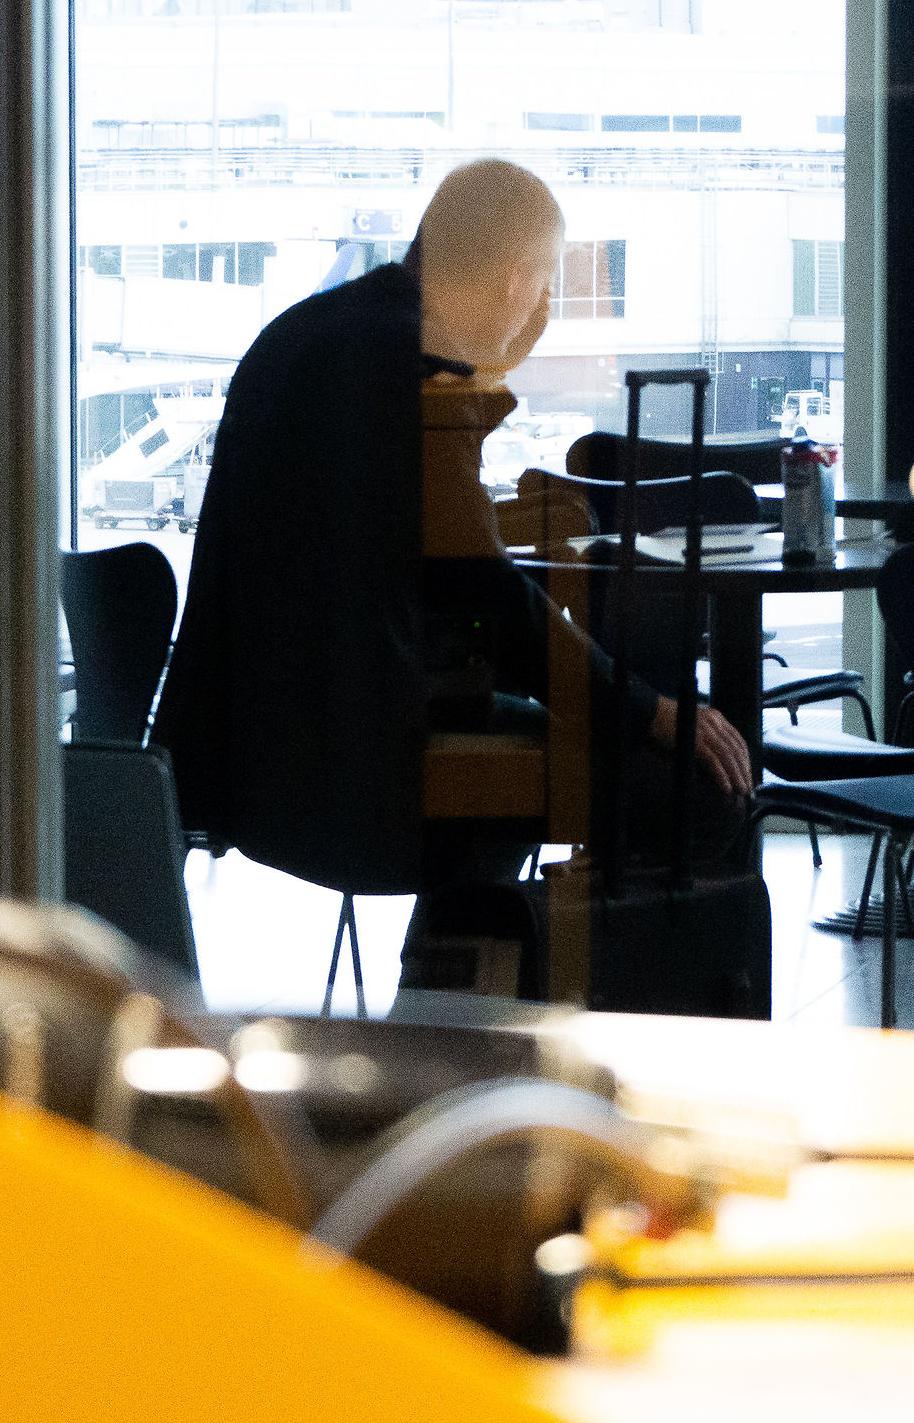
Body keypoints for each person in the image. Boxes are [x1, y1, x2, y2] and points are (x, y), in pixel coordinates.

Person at [153, 158, 751, 986]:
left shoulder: (303, 333)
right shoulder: (420, 371)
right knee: (699, 785)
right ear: (514, 280)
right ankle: (528, 1010)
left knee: (523, 761)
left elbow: (415, 558)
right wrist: (647, 709)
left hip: (248, 764)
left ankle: (457, 996)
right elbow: (486, 594)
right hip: (372, 775)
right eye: (543, 286)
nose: (541, 308)